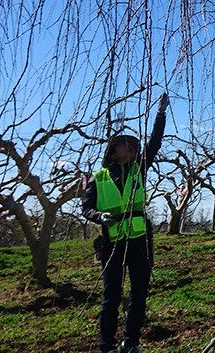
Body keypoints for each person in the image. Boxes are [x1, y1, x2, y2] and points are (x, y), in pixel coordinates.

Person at [82, 93, 168, 353]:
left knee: (139, 294)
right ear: (112, 150)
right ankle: (105, 346)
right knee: (111, 297)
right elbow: (86, 208)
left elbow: (154, 144)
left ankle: (130, 343)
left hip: (139, 241)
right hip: (111, 243)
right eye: (124, 144)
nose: (130, 147)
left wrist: (160, 114)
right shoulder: (98, 177)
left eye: (133, 144)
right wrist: (100, 217)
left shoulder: (139, 169)